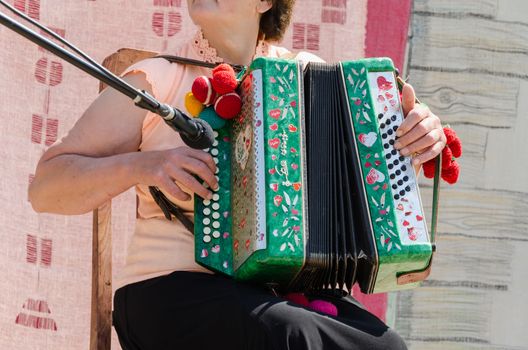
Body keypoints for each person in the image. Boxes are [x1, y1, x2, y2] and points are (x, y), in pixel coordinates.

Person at [28, 0, 446, 349]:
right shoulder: (158, 79)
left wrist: (412, 134)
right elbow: (46, 187)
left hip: (281, 297)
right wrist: (146, 165)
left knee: (386, 345)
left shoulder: (309, 78)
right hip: (170, 292)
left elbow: (366, 179)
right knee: (289, 335)